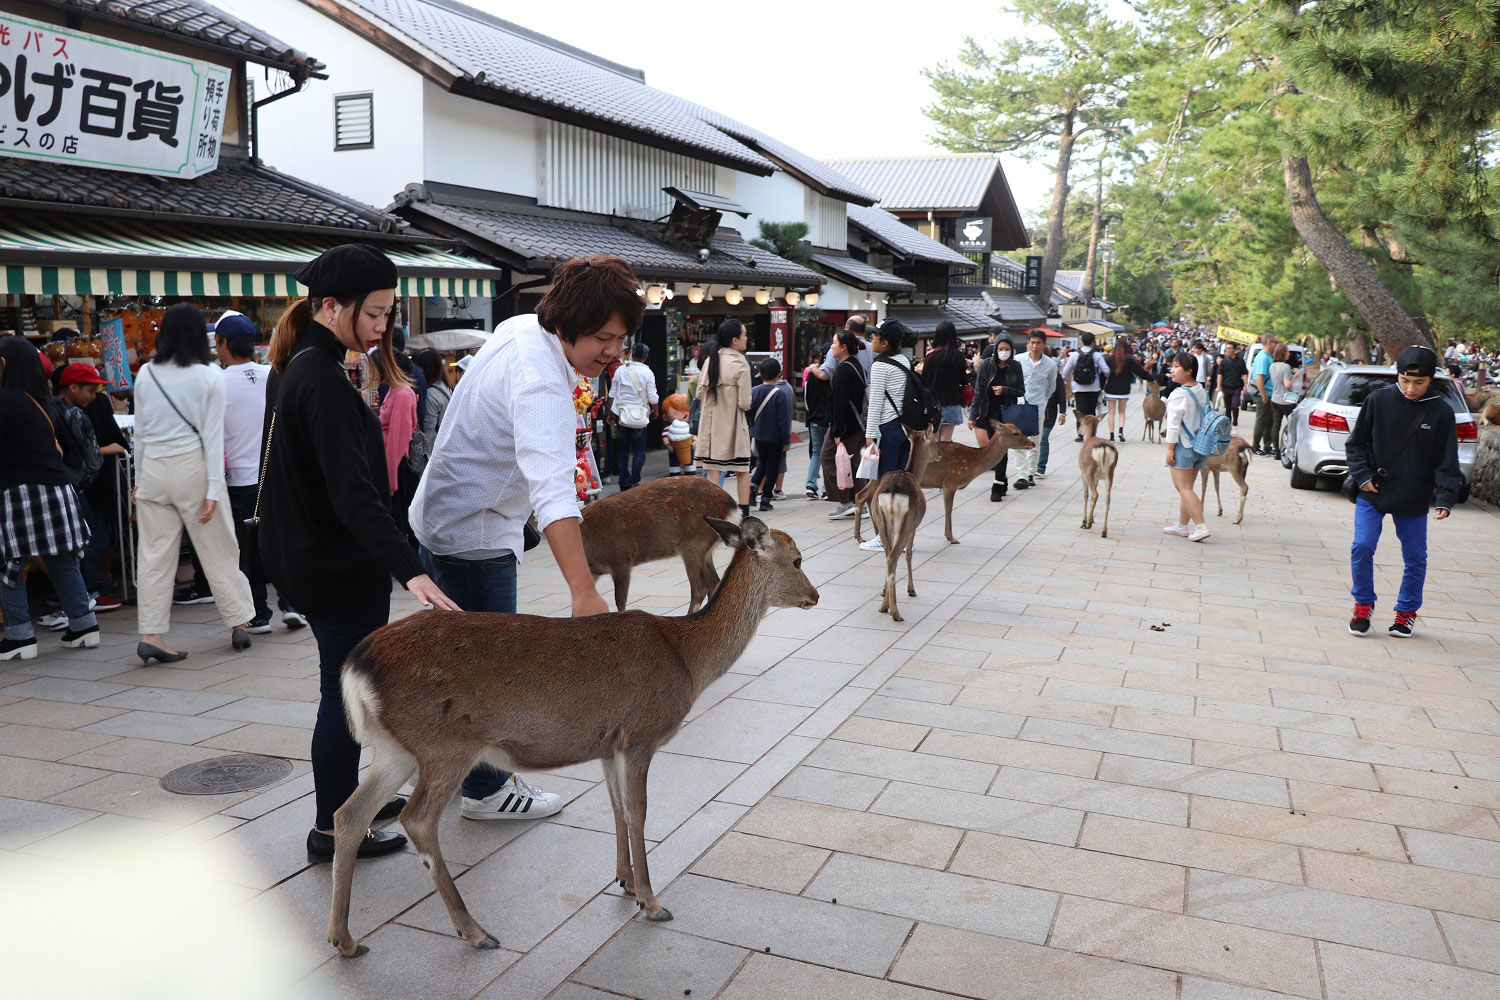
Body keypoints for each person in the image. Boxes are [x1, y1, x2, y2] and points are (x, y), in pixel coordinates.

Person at [410, 254, 639, 822]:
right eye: (601, 338)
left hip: (441, 518)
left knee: (455, 664)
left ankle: (438, 768)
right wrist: (584, 594)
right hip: (475, 535)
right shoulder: (542, 382)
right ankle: (487, 792)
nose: (612, 351)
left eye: (621, 338)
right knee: (491, 676)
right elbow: (552, 491)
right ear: (564, 326)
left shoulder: (520, 327)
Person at [260, 244, 459, 863]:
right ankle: (330, 827)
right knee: (343, 698)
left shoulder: (305, 368)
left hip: (315, 558)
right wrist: (410, 571)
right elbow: (353, 494)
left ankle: (346, 803)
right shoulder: (320, 378)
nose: (381, 328)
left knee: (344, 691)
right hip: (336, 564)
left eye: (387, 315)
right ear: (330, 306)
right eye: (373, 315)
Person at [134, 304, 257, 663]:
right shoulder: (209, 375)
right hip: (193, 469)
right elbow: (212, 436)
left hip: (154, 471)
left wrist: (140, 482)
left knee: (154, 555)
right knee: (218, 547)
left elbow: (140, 435)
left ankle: (151, 634)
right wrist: (213, 488)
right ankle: (239, 623)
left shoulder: (146, 374)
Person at [1346, 346, 1460, 638]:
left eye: (1419, 383)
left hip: (1413, 495)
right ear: (1397, 375)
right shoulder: (1378, 400)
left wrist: (1445, 498)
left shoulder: (1442, 412)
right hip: (1374, 490)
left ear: (1430, 379)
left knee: (1415, 557)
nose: (1410, 388)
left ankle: (1406, 612)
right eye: (1405, 380)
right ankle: (1363, 605)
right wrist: (1363, 477)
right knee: (1362, 546)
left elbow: (1447, 461)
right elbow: (1356, 445)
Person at [0, 339, 99, 661]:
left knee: (8, 562)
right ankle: (84, 625)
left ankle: (20, 636)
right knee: (61, 559)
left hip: (18, 492)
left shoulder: (4, 402)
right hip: (57, 490)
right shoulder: (41, 401)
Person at [213, 314, 303, 634]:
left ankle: (258, 613)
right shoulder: (273, 373)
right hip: (275, 474)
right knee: (281, 540)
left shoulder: (217, 382)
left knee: (247, 548)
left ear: (223, 343)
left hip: (239, 479)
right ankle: (292, 605)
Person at [696, 319, 755, 518]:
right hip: (734, 426)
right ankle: (744, 512)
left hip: (711, 427)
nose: (746, 338)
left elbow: (699, 394)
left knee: (713, 470)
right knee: (742, 470)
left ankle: (713, 512)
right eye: (744, 335)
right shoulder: (740, 364)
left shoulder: (710, 360)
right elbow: (745, 403)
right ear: (734, 340)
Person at [1161, 350, 1212, 543]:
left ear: (1189, 370)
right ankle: (1182, 525)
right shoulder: (1200, 389)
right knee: (1188, 487)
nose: (1172, 370)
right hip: (1200, 446)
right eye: (1172, 366)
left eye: (1176, 367)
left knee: (1183, 488)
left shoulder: (1178, 394)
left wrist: (1169, 450)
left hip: (1183, 446)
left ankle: (1201, 526)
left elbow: (1173, 426)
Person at [970, 336, 1025, 502]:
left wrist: (1005, 390)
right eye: (1000, 349)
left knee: (1003, 449)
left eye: (1006, 349)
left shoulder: (1016, 366)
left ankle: (997, 484)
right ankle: (1002, 480)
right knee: (992, 449)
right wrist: (973, 415)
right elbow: (979, 391)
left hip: (1006, 414)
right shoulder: (987, 365)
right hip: (988, 412)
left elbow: (1021, 391)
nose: (1003, 352)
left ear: (1012, 350)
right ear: (995, 350)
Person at [822, 330, 867, 518]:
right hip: (859, 425)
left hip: (846, 426)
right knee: (853, 463)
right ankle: (860, 502)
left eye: (834, 342)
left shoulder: (843, 369)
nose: (831, 346)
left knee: (829, 458)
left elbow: (840, 402)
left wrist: (837, 430)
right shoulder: (857, 365)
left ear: (843, 347)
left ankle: (844, 501)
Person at [864, 320, 914, 479]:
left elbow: (875, 403)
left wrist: (870, 435)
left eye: (874, 336)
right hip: (905, 427)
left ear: (884, 343)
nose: (871, 339)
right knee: (900, 478)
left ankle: (885, 505)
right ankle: (898, 504)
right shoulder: (904, 360)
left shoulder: (880, 365)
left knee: (886, 480)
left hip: (887, 427)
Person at [1011, 329, 1059, 489]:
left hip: (1038, 407)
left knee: (1034, 442)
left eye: (1038, 343)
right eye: (1032, 342)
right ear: (1027, 344)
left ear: (1044, 344)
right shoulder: (1018, 360)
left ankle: (1031, 472)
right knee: (1018, 441)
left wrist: (1043, 400)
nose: (1035, 346)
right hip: (1019, 406)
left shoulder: (1051, 365)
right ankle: (1022, 475)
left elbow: (1051, 387)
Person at [610, 341, 659, 491]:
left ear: (632, 354)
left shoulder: (620, 370)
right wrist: (655, 409)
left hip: (622, 416)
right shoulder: (648, 372)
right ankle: (634, 480)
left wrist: (611, 412)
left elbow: (613, 393)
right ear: (646, 357)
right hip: (640, 418)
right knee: (639, 451)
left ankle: (624, 482)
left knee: (623, 451)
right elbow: (652, 396)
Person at [748, 358, 792, 512]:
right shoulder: (780, 394)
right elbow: (783, 420)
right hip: (775, 437)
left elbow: (750, 415)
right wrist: (786, 439)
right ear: (779, 374)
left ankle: (753, 487)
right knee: (772, 466)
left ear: (760, 374)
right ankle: (765, 499)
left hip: (758, 435)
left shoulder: (754, 391)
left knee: (762, 463)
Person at [924, 320, 970, 443]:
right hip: (952, 401)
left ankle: (934, 462)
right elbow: (963, 380)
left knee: (934, 441)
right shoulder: (958, 356)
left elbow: (924, 381)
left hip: (934, 404)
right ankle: (944, 461)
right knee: (946, 441)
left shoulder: (930, 356)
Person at [1061, 331, 1110, 442]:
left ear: (1081, 341)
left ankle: (1080, 434)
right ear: (1094, 342)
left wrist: (1064, 382)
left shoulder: (1075, 355)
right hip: (1094, 387)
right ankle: (1091, 433)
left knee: (1080, 411)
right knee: (1091, 410)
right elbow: (1106, 371)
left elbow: (1065, 373)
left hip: (1078, 387)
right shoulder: (1097, 355)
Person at [1100, 340, 1150, 444]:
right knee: (1122, 412)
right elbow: (1140, 371)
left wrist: (1100, 387)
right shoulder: (1129, 360)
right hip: (1124, 390)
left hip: (1111, 389)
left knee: (1111, 413)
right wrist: (1150, 378)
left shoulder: (1109, 359)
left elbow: (1103, 374)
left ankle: (1111, 436)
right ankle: (1121, 431)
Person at [802, 345, 831, 497]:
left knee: (816, 453)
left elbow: (806, 400)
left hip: (813, 419)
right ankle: (827, 489)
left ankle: (811, 484)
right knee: (828, 455)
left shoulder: (811, 376)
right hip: (827, 420)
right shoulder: (830, 375)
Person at [1038, 345, 1069, 478]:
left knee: (1043, 438)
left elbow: (1061, 395)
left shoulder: (1054, 372)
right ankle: (1030, 465)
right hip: (1033, 410)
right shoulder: (1030, 369)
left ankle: (1040, 467)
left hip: (1049, 411)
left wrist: (1062, 412)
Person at [413, 348, 451, 453]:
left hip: (434, 452)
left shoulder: (431, 394)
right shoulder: (444, 386)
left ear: (428, 368)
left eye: (418, 367)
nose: (416, 371)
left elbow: (428, 434)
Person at [1267, 344, 1298, 458]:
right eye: (1288, 352)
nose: (1289, 354)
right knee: (1292, 425)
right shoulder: (1286, 367)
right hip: (1286, 400)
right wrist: (1296, 376)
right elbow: (1287, 384)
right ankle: (1290, 447)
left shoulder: (1272, 366)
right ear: (1283, 353)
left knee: (1276, 426)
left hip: (1275, 399)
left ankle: (1276, 451)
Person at [1251, 336, 1277, 455]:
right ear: (1269, 342)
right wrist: (1264, 395)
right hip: (1263, 393)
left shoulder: (1269, 356)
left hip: (1270, 393)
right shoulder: (1263, 357)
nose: (1276, 344)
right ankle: (1255, 446)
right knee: (1261, 421)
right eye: (1275, 342)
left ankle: (1267, 446)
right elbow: (1259, 378)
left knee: (1269, 421)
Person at [1214, 343, 1248, 427]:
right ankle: (1228, 424)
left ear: (1234, 350)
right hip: (1226, 386)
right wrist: (1218, 386)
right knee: (1227, 407)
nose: (1227, 350)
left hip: (1236, 386)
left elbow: (1244, 374)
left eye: (1229, 348)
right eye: (1226, 349)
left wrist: (1245, 386)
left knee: (1235, 405)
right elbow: (1220, 374)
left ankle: (1235, 420)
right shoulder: (1224, 361)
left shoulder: (1240, 361)